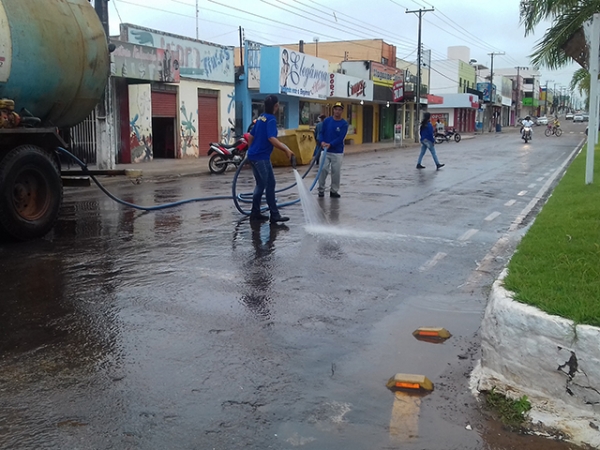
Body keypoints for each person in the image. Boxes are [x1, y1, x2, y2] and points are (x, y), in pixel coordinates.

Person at [247, 95, 295, 223]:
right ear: (275, 106)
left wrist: (251, 150)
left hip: (254, 156)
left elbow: (250, 136)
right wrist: (286, 149)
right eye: (278, 105)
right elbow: (271, 138)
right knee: (269, 184)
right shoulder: (271, 120)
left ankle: (255, 213)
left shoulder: (260, 118)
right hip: (261, 157)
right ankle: (274, 215)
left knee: (261, 184)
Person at [317, 102, 349, 198]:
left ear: (342, 111)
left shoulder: (344, 124)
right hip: (325, 151)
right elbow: (321, 132)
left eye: (339, 110)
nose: (337, 111)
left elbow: (341, 138)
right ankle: (321, 189)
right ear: (333, 110)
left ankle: (334, 191)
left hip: (337, 152)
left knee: (336, 172)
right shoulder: (327, 121)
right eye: (336, 109)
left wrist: (331, 144)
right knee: (323, 169)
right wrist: (322, 142)